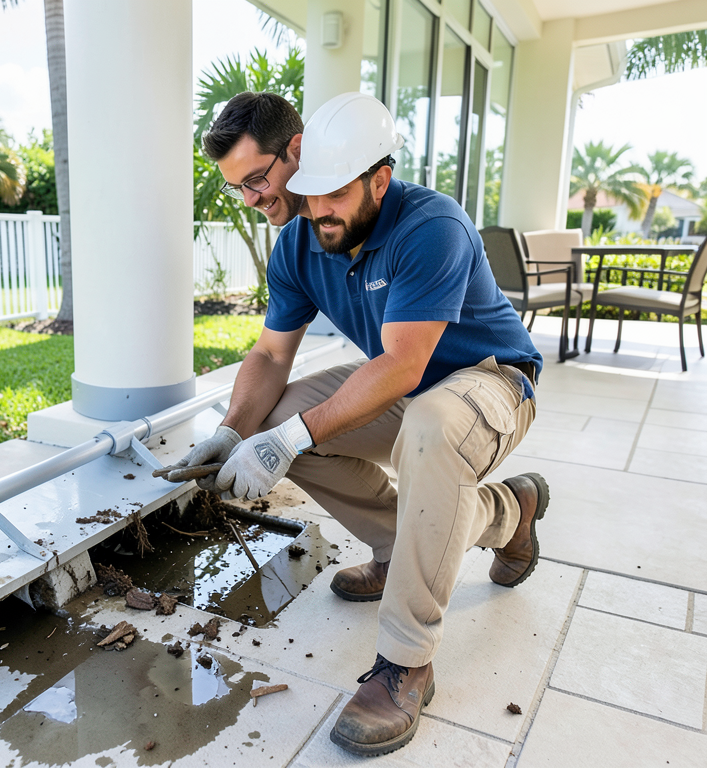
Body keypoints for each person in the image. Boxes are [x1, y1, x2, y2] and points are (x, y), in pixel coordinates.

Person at [169, 91, 548, 757]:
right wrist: (234, 432)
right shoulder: (300, 241)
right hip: (412, 389)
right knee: (277, 415)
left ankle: (406, 663)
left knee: (416, 425)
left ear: (377, 179)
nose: (257, 200)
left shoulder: (432, 225)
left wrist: (289, 440)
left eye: (258, 179)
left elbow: (403, 364)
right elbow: (270, 355)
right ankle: (473, 525)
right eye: (239, 188)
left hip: (492, 383)